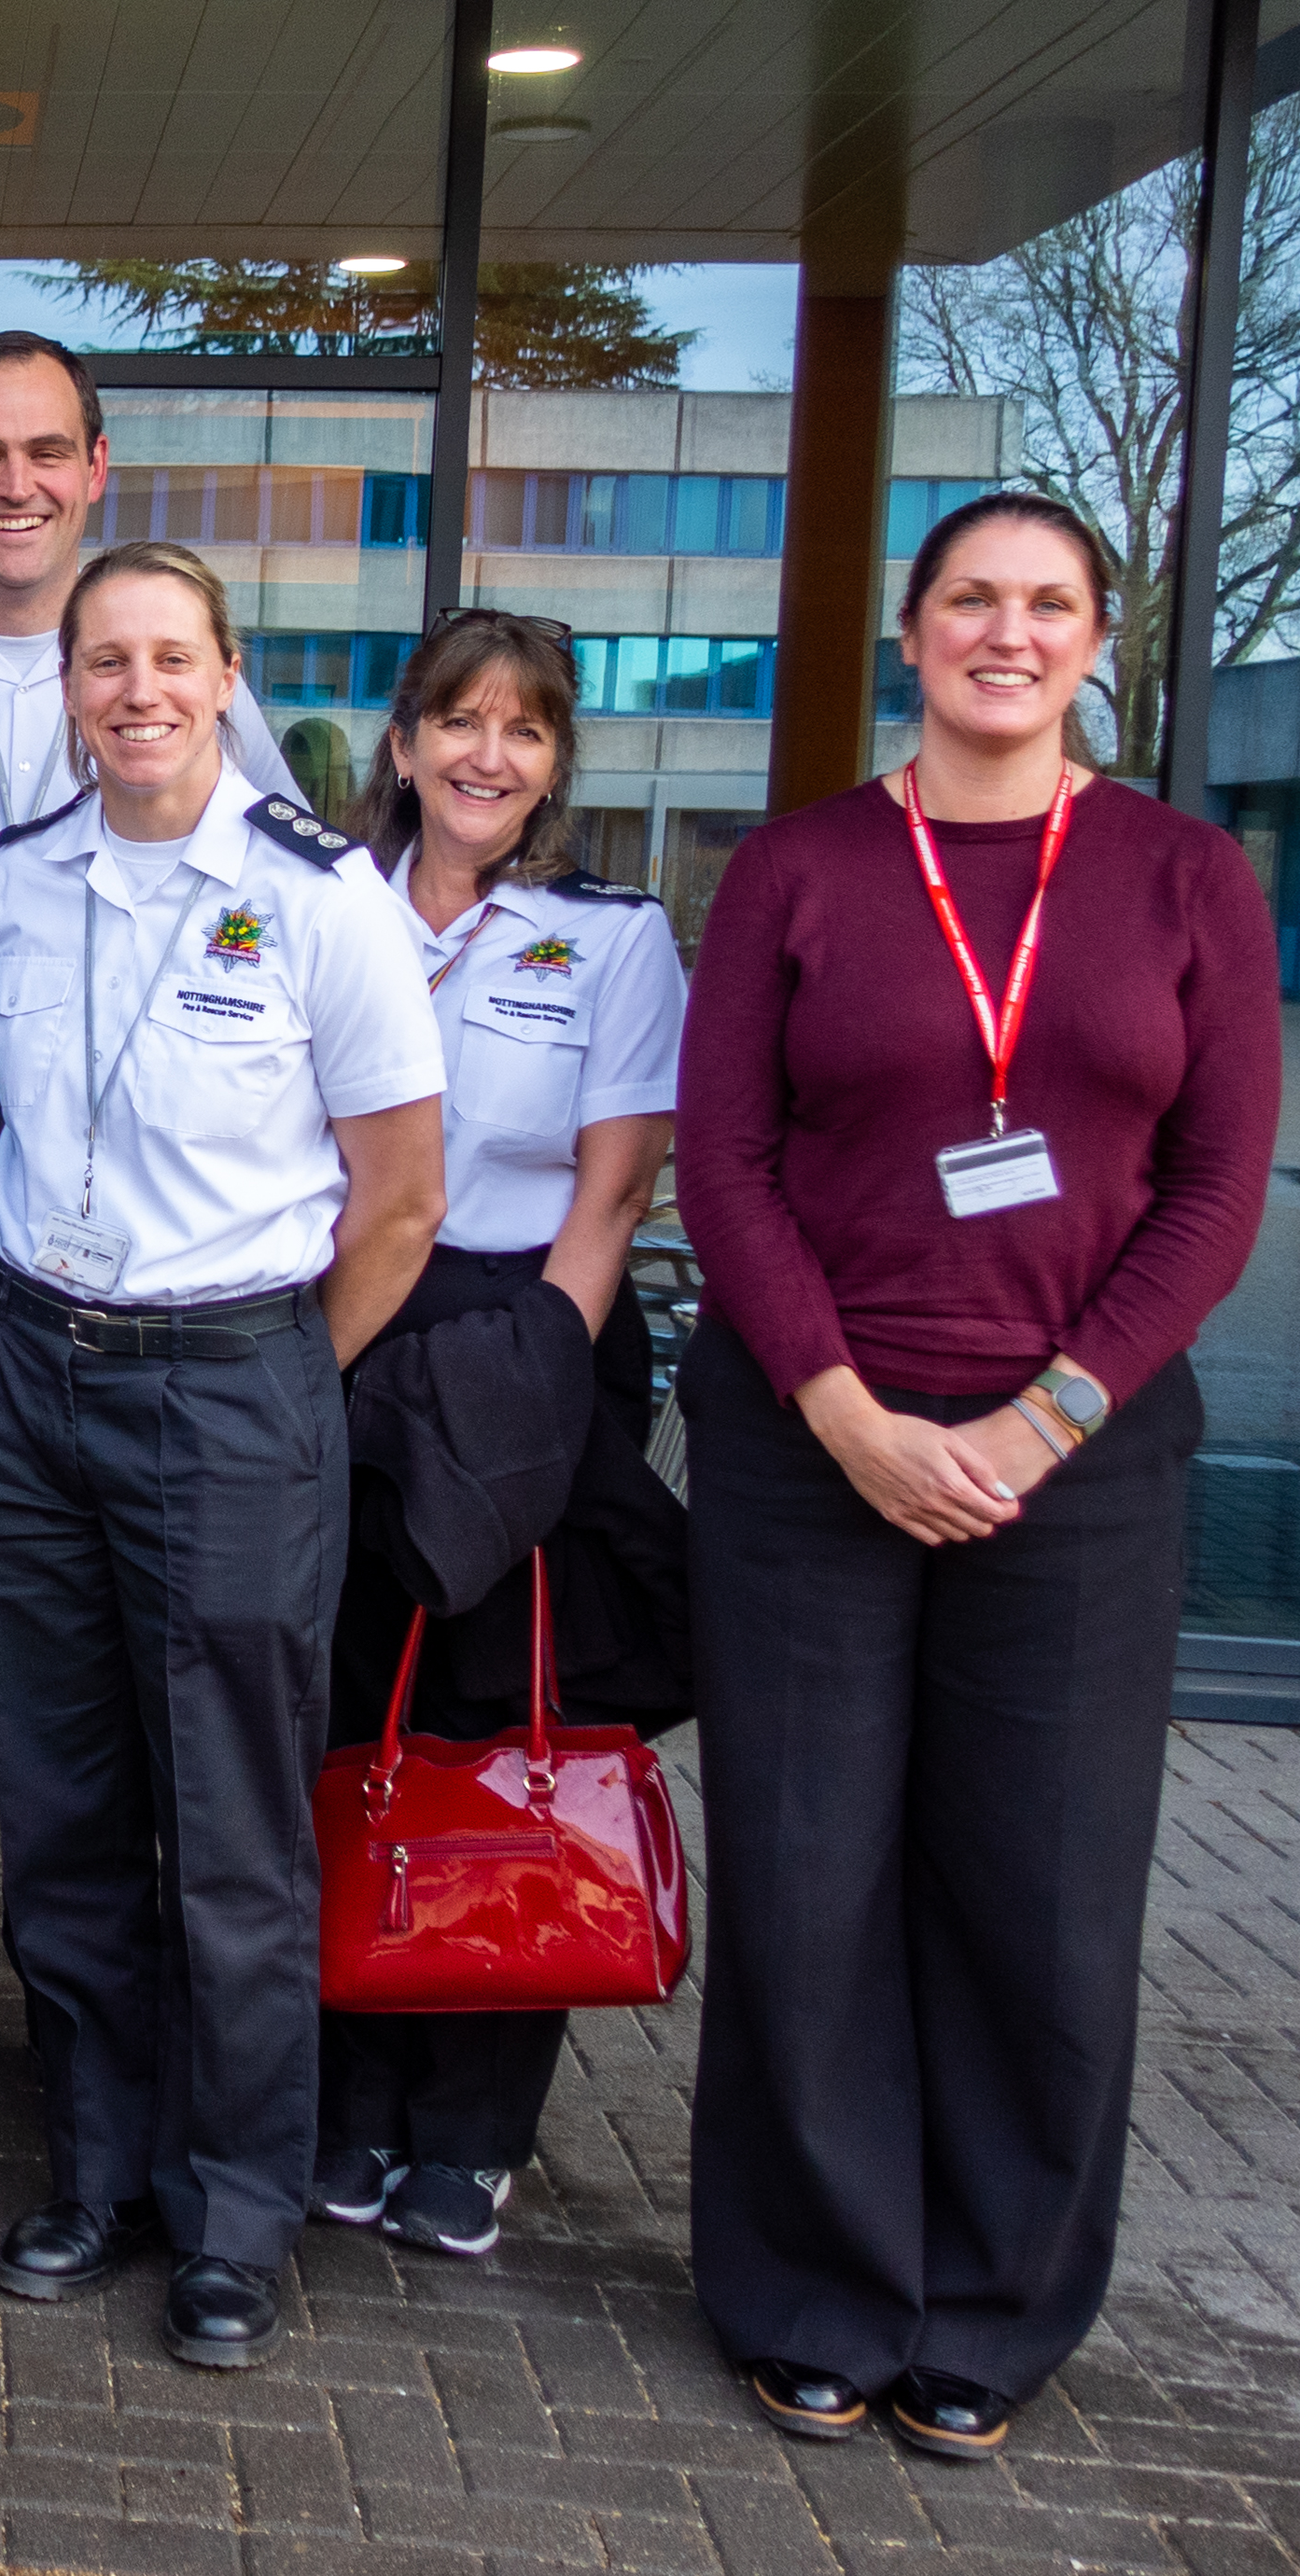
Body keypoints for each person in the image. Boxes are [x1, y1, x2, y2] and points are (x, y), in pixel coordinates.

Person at [676, 494, 1276, 2464]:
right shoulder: (801, 868)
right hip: (809, 1451)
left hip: (1076, 1479)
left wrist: (1048, 1415)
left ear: (1096, 636)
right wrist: (843, 1408)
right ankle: (815, 2289)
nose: (1003, 635)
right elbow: (727, 1165)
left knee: (1038, 1893)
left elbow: (1208, 1191)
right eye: (968, 602)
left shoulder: (1188, 878)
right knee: (807, 1875)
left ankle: (994, 2306)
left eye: (1045, 606)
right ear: (910, 632)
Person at [0, 540, 443, 2370]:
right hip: (21, 1374)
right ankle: (97, 2169)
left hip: (232, 1380)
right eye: (103, 662)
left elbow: (398, 1203)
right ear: (67, 687)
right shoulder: (11, 883)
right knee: (62, 1817)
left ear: (224, 674)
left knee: (231, 1835)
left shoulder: (326, 903)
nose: (137, 690)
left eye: (171, 657)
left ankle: (237, 2208)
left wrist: (263, 1389)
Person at [0, 332, 300, 2083]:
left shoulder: (190, 687)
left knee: (113, 1684)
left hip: (123, 1276)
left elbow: (272, 963)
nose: (12, 483)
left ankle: (147, 2053)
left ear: (99, 469)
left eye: (45, 451)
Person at [308, 612, 687, 2261]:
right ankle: (340, 2086)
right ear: (400, 746)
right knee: (337, 1708)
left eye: (522, 731)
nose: (485, 754)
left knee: (500, 1722)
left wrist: (533, 1372)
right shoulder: (321, 904)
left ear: (551, 767)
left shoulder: (610, 938)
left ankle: (468, 2126)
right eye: (455, 721)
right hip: (336, 1326)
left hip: (537, 1338)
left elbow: (612, 1193)